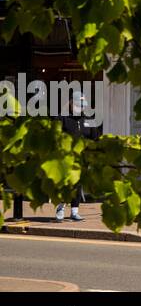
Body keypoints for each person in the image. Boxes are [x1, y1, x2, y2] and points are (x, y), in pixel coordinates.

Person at [54, 88, 89, 222]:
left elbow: (94, 136)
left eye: (82, 106)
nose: (80, 108)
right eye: (78, 105)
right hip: (65, 156)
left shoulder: (86, 119)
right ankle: (60, 208)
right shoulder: (62, 117)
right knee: (65, 183)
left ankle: (74, 211)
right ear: (70, 104)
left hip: (81, 157)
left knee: (78, 184)